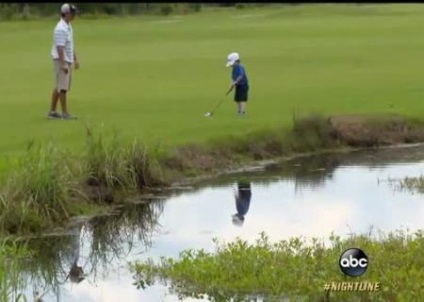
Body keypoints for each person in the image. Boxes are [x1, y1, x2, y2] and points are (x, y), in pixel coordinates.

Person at [47, 3, 80, 120]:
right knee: (63, 88)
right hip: (62, 60)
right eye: (72, 13)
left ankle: (52, 111)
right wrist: (62, 64)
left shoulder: (68, 26)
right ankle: (65, 113)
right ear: (66, 13)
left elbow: (69, 45)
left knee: (59, 86)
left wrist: (75, 59)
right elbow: (60, 48)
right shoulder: (60, 28)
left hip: (66, 59)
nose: (74, 15)